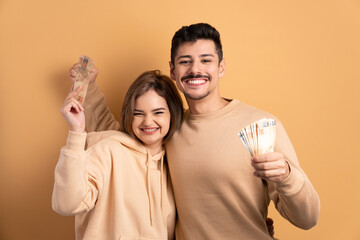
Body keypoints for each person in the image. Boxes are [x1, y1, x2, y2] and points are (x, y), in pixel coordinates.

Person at [81, 23, 320, 239]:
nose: (195, 70)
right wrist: (88, 87)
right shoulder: (168, 128)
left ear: (221, 67)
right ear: (173, 71)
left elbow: (307, 219)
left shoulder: (261, 126)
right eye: (185, 61)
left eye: (206, 60)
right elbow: (119, 141)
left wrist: (288, 176)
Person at [52, 70, 183, 240]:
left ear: (173, 114)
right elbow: (67, 204)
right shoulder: (109, 150)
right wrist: (76, 133)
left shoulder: (174, 163)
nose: (148, 121)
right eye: (138, 113)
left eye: (158, 112)